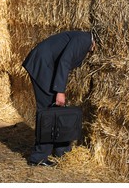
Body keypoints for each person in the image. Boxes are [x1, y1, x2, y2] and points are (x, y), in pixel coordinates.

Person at [22, 30, 95, 166]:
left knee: (55, 109)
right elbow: (65, 61)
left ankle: (61, 151)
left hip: (46, 65)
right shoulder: (84, 39)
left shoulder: (82, 39)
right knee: (48, 112)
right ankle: (39, 158)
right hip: (42, 65)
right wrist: (60, 91)